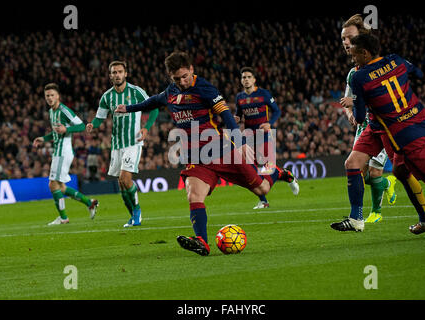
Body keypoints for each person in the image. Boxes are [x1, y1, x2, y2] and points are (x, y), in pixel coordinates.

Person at [115, 51, 298, 256]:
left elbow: (226, 114)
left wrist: (239, 143)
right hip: (195, 157)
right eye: (177, 78)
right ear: (170, 77)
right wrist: (128, 108)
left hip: (222, 151)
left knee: (262, 189)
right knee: (194, 195)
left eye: (185, 76)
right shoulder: (170, 92)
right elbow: (152, 102)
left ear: (191, 69)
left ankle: (281, 174)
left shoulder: (205, 89)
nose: (182, 81)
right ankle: (202, 241)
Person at [332, 33, 425, 234]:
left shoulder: (358, 76)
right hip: (398, 122)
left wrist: (357, 102)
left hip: (405, 132)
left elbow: (358, 118)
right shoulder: (396, 59)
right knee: (357, 164)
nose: (352, 57)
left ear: (365, 52)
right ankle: (357, 219)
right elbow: (417, 73)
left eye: (355, 54)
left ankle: (424, 220)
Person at [339, 14, 397, 224]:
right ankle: (361, 214)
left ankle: (375, 212)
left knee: (377, 171)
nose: (345, 42)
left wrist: (355, 103)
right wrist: (351, 113)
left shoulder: (380, 65)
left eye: (349, 37)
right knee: (360, 173)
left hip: (383, 124)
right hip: (363, 127)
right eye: (343, 39)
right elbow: (347, 102)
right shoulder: (353, 73)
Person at [86, 61, 159, 227]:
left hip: (133, 141)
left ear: (125, 74)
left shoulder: (136, 91)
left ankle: (137, 210)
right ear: (110, 75)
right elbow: (100, 118)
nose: (117, 75)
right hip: (116, 144)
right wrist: (93, 125)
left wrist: (146, 128)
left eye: (120, 72)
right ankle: (132, 216)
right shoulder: (107, 96)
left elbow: (154, 108)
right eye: (114, 72)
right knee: (121, 184)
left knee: (124, 178)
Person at [33, 83, 99, 225]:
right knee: (60, 187)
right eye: (47, 96)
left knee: (52, 185)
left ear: (58, 96)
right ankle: (90, 202)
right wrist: (43, 139)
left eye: (52, 95)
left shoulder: (64, 110)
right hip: (58, 151)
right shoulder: (51, 112)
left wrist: (66, 129)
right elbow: (56, 132)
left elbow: (82, 125)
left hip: (64, 151)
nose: (49, 98)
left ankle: (63, 218)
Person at [235, 66, 299, 209]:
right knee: (252, 171)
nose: (246, 80)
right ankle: (264, 201)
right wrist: (236, 118)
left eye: (248, 77)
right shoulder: (239, 97)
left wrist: (269, 123)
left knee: (266, 168)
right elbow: (239, 114)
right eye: (243, 77)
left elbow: (276, 110)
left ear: (254, 79)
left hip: (264, 135)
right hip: (249, 137)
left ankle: (287, 175)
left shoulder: (263, 94)